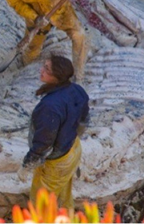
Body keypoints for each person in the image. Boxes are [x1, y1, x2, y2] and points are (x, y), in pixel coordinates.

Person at [2, 0, 93, 81]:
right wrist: (35, 18)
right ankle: (25, 67)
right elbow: (18, 5)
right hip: (37, 16)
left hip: (60, 9)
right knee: (33, 46)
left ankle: (78, 75)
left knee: (79, 35)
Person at [17, 55, 89, 209]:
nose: (41, 70)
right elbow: (83, 119)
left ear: (57, 77)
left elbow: (44, 143)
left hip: (57, 162)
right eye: (44, 65)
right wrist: (70, 136)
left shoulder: (50, 106)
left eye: (47, 69)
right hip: (73, 149)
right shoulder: (77, 90)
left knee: (41, 204)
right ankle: (66, 217)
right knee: (62, 194)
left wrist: (27, 164)